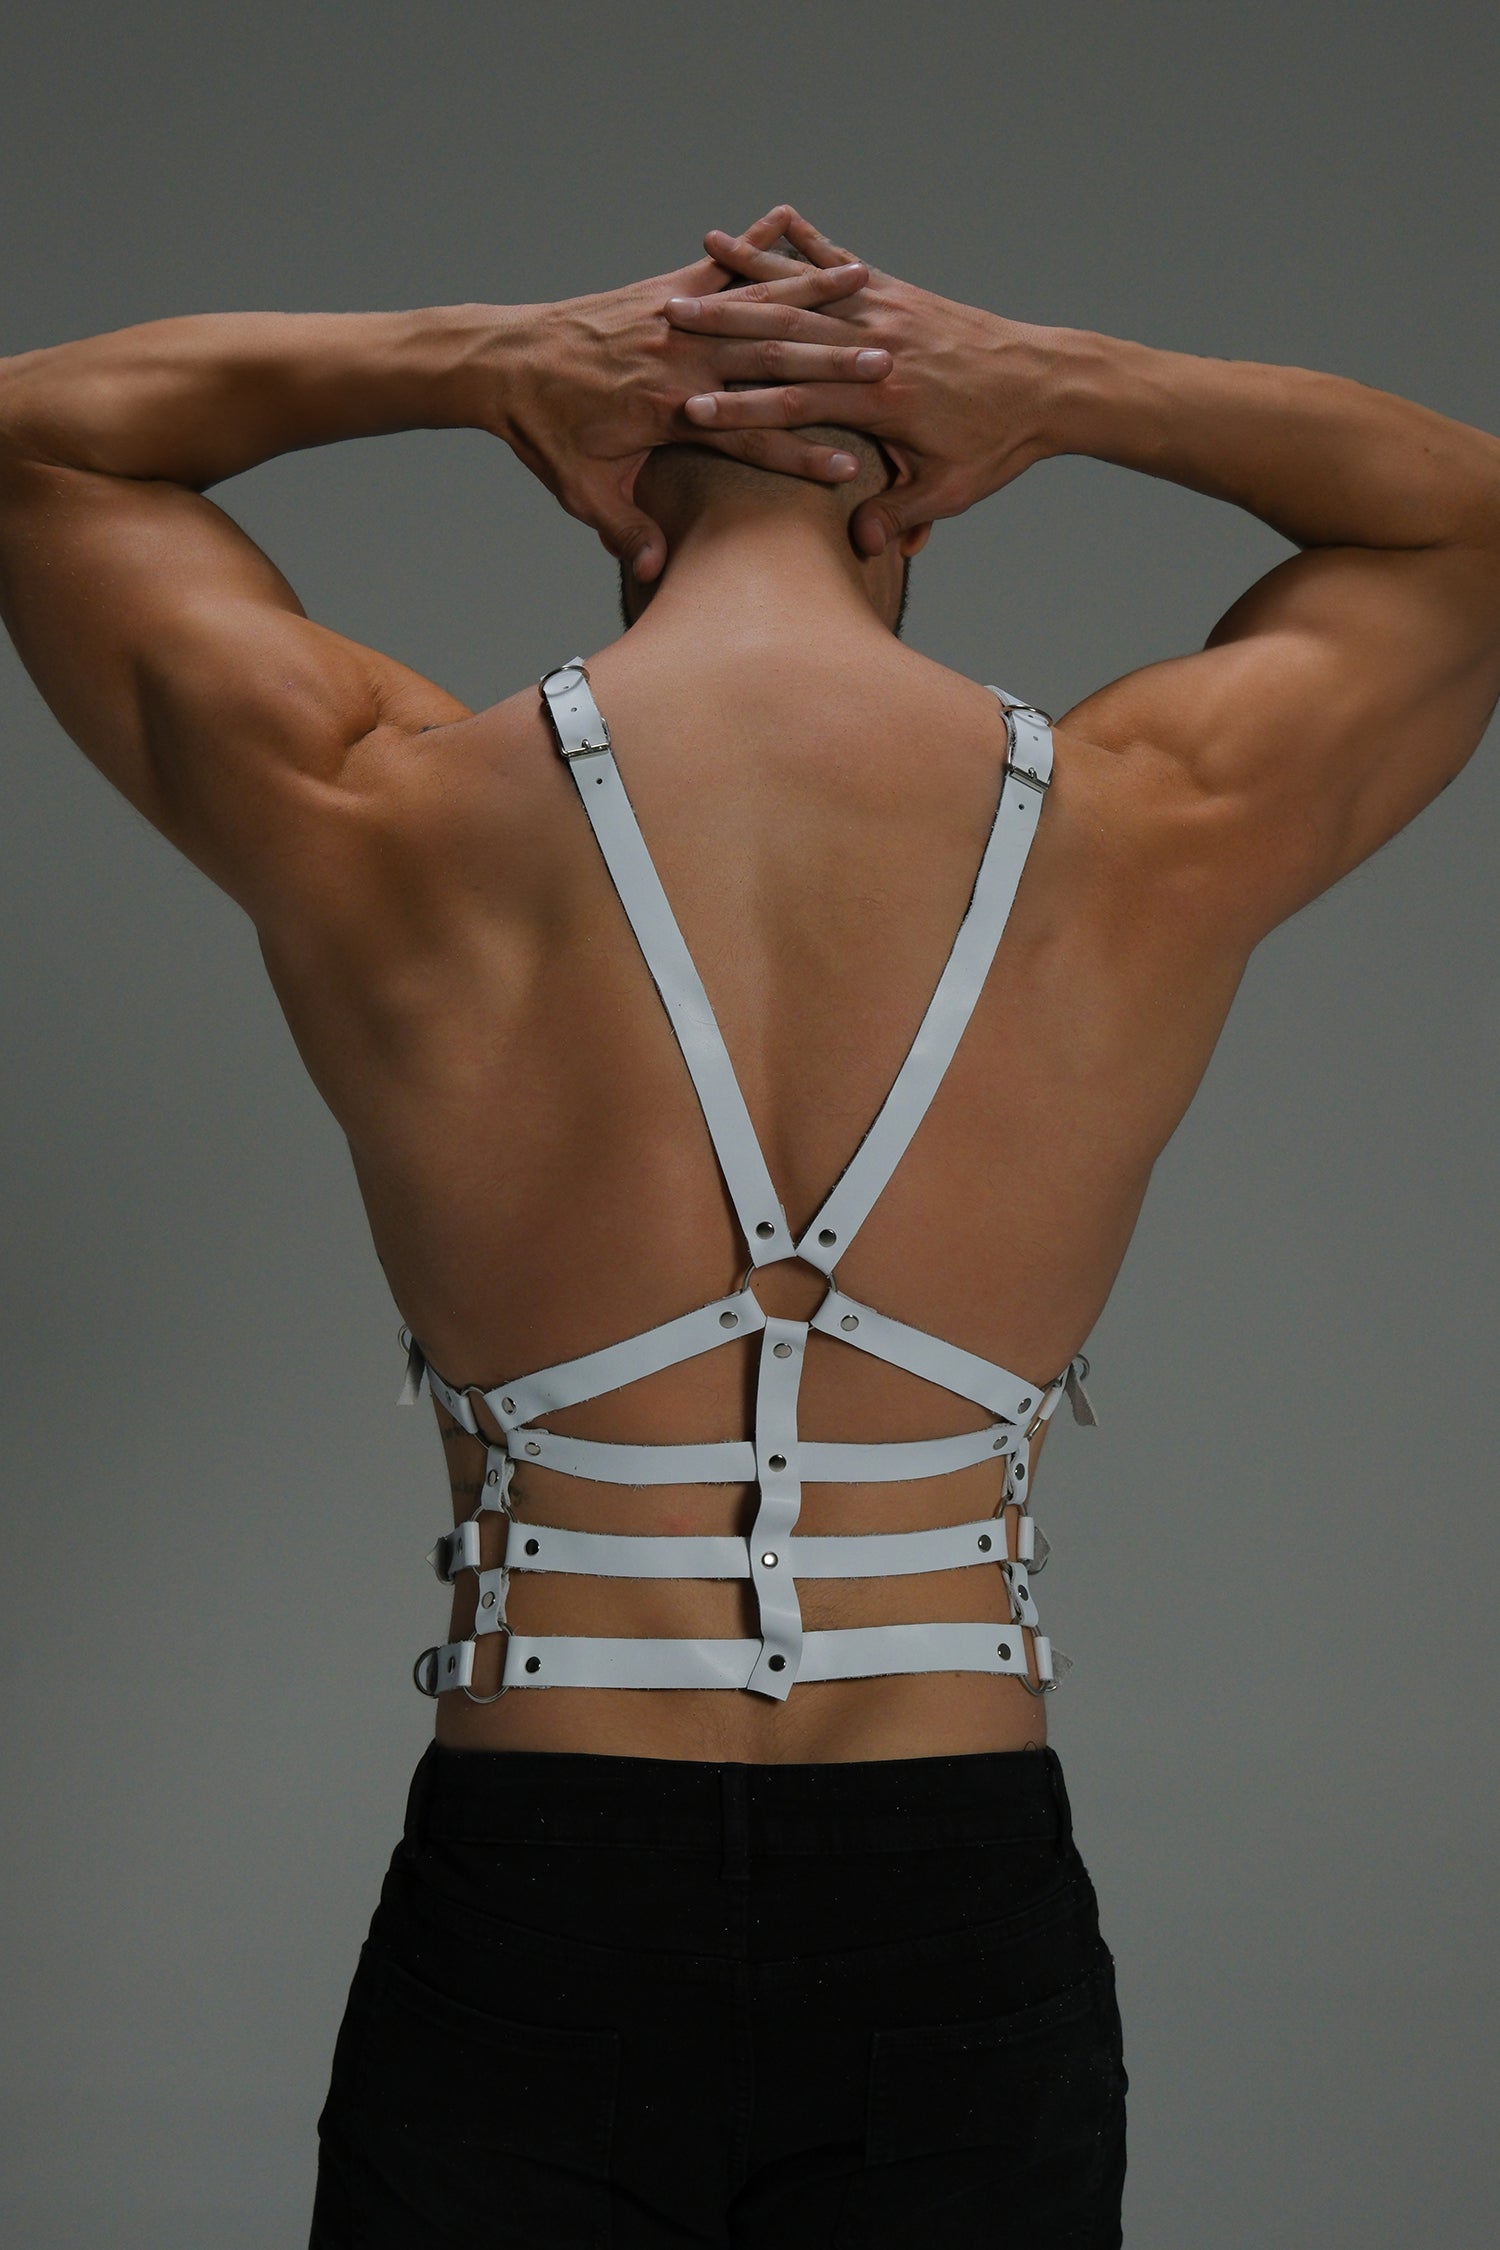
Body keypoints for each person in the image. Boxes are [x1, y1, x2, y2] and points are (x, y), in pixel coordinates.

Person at [2, 203, 1497, 2248]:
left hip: (534, 1876)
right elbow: (1464, 522)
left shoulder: (379, 803)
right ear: (916, 511)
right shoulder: (1158, 816)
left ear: (618, 498)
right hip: (952, 1890)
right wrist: (1061, 385)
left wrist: (483, 357)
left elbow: (41, 438)